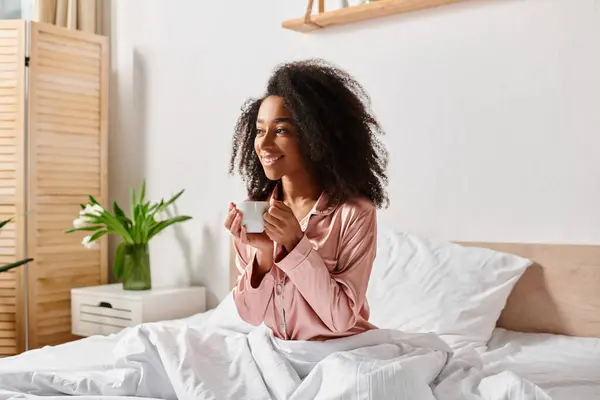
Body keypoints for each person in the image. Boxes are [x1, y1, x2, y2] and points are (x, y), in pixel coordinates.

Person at [224, 59, 388, 341]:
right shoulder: (253, 210)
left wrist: (295, 245)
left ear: (316, 137)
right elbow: (250, 316)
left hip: (345, 351)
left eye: (282, 130)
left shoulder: (354, 213)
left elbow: (341, 319)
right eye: (260, 130)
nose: (263, 145)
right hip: (281, 355)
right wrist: (263, 255)